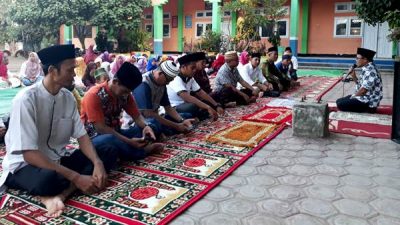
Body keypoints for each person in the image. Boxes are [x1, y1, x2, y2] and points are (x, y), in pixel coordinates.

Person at [0, 44, 117, 217]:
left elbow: (82, 136)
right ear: (53, 71)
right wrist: (76, 177)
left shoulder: (68, 98)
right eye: (70, 70)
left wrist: (98, 163)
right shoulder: (26, 100)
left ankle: (62, 194)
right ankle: (63, 189)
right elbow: (29, 154)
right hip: (25, 166)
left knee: (107, 150)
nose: (74, 75)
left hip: (57, 161)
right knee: (48, 180)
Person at [80, 62, 164, 161]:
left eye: (128, 92)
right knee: (110, 142)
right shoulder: (93, 95)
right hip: (94, 138)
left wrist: (146, 127)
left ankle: (128, 150)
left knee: (152, 123)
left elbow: (137, 116)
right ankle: (142, 151)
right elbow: (101, 129)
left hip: (117, 133)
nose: (126, 95)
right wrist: (129, 141)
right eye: (124, 91)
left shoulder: (125, 95)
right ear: (115, 81)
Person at [133, 61, 196, 136]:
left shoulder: (161, 84)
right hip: (141, 122)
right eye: (168, 80)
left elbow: (168, 108)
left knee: (186, 116)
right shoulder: (143, 84)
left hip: (156, 117)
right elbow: (148, 114)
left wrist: (182, 120)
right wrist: (176, 126)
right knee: (154, 125)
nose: (168, 83)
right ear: (160, 74)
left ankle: (167, 131)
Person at [167, 53, 223, 121]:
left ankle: (197, 117)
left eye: (195, 68)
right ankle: (195, 117)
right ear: (183, 67)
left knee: (207, 101)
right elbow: (187, 97)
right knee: (194, 106)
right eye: (192, 68)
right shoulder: (175, 78)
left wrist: (216, 105)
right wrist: (208, 107)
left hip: (186, 104)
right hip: (174, 107)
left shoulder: (190, 77)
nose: (194, 70)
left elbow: (201, 93)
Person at [336, 48, 383, 113]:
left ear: (365, 60)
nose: (356, 60)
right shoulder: (366, 68)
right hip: (364, 97)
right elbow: (361, 86)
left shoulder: (370, 71)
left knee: (340, 104)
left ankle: (367, 110)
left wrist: (353, 96)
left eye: (358, 58)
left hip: (368, 102)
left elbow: (363, 91)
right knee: (339, 101)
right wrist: (353, 76)